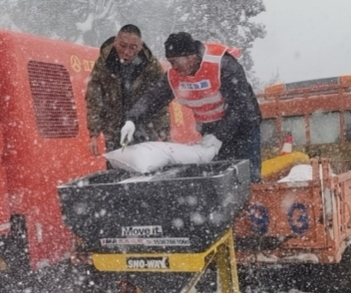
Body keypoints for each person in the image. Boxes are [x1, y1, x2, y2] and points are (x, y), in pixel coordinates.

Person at [120, 31, 263, 181]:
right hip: (211, 129)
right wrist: (132, 120)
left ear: (191, 57)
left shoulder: (222, 64)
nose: (173, 67)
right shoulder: (174, 75)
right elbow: (153, 98)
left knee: (248, 177)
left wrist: (220, 135)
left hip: (243, 128)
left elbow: (241, 106)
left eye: (176, 61)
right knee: (221, 178)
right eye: (170, 62)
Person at [85, 24, 170, 154]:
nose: (127, 52)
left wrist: (164, 134)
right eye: (123, 46)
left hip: (144, 130)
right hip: (114, 131)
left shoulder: (150, 66)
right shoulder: (104, 63)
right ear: (115, 42)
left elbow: (159, 102)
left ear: (140, 46)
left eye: (133, 47)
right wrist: (94, 134)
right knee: (116, 168)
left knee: (145, 168)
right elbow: (94, 99)